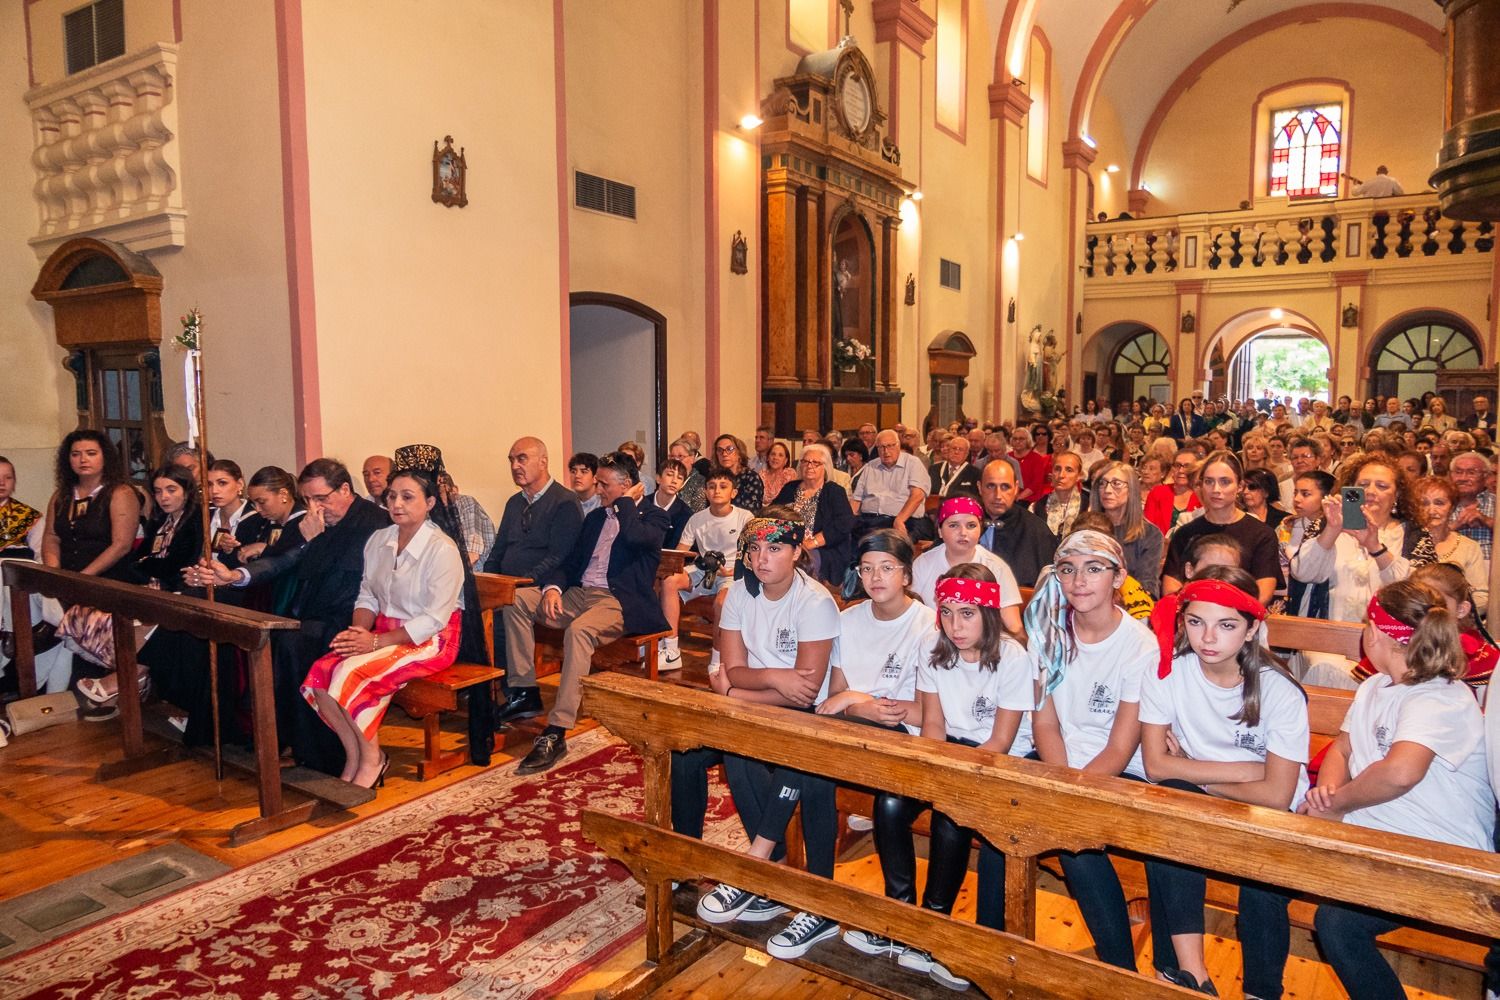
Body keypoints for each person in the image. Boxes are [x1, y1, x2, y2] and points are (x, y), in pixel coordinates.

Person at [1309, 581, 1492, 1000]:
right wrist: (1327, 797)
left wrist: (1336, 805)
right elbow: (1342, 747)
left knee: (1339, 924)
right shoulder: (1374, 686)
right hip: (1380, 841)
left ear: (1375, 632)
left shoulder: (1440, 697)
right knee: (1271, 875)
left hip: (1441, 855)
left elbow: (1400, 773)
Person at [854, 563, 1033, 991]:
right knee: (890, 802)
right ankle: (902, 917)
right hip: (947, 747)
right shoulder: (933, 645)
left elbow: (1000, 741)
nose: (955, 625)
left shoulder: (1012, 658)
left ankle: (935, 923)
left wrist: (948, 785)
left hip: (996, 761)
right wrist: (930, 775)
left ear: (988, 612)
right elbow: (933, 725)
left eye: (967, 614)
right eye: (947, 612)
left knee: (950, 816)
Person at [1141, 566, 1307, 998]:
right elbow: (1156, 766)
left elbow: (1277, 795)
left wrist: (1195, 771)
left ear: (1251, 629)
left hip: (1266, 816)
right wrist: (1245, 769)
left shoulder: (1279, 690)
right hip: (1199, 808)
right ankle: (1192, 975)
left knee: (1261, 882)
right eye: (1196, 622)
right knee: (1169, 808)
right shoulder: (1166, 671)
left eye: (1227, 625)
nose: (1208, 638)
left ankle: (1258, 991)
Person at [695, 509, 842, 960]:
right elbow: (733, 667)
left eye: (775, 548)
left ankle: (761, 866)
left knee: (798, 760)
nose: (762, 559)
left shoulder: (814, 602)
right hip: (761, 706)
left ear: (797, 552)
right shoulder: (740, 591)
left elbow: (806, 693)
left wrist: (737, 692)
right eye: (754, 549)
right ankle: (771, 873)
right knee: (732, 750)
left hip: (812, 717)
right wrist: (774, 678)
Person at [188, 458, 393, 774]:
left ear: (344, 489)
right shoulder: (313, 522)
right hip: (320, 612)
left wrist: (316, 540)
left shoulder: (373, 521)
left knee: (293, 645)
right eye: (308, 499)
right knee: (267, 639)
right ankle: (296, 744)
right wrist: (236, 576)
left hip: (361, 616)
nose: (315, 507)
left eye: (321, 498)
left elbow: (356, 578)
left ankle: (327, 754)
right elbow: (283, 560)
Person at [1026, 529, 1158, 972]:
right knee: (1000, 819)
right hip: (1058, 762)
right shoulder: (1048, 633)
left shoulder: (1139, 644)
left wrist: (1072, 792)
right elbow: (1044, 723)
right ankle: (998, 946)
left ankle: (1120, 970)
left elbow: (1121, 745)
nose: (1079, 581)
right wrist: (1063, 781)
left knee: (1075, 844)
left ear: (1118, 577)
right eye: (1068, 569)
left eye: (1094, 569)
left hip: (1119, 770)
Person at [300, 467, 468, 788]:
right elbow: (367, 594)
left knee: (349, 674)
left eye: (407, 497)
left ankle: (373, 759)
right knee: (321, 674)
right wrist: (358, 633)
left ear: (430, 503)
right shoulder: (380, 539)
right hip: (383, 634)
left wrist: (375, 643)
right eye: (392, 496)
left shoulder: (441, 549)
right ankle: (355, 755)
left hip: (430, 640)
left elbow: (434, 619)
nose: (397, 504)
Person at [500, 454, 669, 774]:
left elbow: (634, 537)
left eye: (604, 484)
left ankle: (557, 730)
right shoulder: (594, 519)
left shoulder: (653, 517)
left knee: (579, 631)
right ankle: (524, 691)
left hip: (617, 601)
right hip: (579, 594)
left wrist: (625, 504)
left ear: (627, 485)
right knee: (517, 600)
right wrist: (553, 588)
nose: (597, 489)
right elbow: (571, 562)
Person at [1290, 453, 1434, 624]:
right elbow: (1302, 573)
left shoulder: (1415, 535)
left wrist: (1375, 547)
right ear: (1351, 489)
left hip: (1387, 636)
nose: (1370, 491)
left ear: (1397, 494)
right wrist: (1332, 529)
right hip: (1327, 634)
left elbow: (1419, 593)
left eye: (1382, 486)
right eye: (1363, 485)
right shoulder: (1324, 525)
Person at [659, 466, 752, 672]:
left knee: (722, 602)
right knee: (669, 580)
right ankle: (671, 650)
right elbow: (681, 552)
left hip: (733, 573)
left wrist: (734, 570)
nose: (717, 490)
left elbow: (752, 551)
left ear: (733, 492)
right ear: (705, 492)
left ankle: (718, 659)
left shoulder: (745, 517)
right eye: (711, 486)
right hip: (705, 570)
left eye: (723, 486)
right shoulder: (697, 518)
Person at [1162, 451, 1283, 603]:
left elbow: (1263, 591)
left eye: (1225, 482)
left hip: (1242, 613)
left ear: (1240, 486)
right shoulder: (1185, 533)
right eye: (1209, 482)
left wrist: (1228, 612)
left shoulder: (1262, 534)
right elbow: (1171, 586)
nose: (1216, 489)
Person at [911, 495, 1023, 634]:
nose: (963, 533)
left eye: (971, 526)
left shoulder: (997, 567)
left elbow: (1013, 626)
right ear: (940, 530)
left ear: (980, 529)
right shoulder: (923, 563)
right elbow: (913, 616)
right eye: (954, 525)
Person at [772, 443, 854, 585]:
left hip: (822, 549)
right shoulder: (790, 488)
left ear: (825, 467)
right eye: (805, 461)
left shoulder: (834, 491)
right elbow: (772, 514)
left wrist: (812, 543)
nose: (809, 466)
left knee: (798, 560)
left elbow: (843, 524)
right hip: (787, 543)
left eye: (815, 463)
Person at [977, 459, 1057, 588]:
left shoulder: (1036, 531)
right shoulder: (965, 523)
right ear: (980, 488)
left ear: (1016, 488)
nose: (998, 495)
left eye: (1005, 487)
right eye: (991, 486)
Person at [1090, 461, 1164, 598]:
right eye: (1102, 483)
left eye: (1116, 483)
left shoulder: (1150, 534)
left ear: (1131, 490)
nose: (1107, 490)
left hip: (1131, 603)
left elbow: (1147, 584)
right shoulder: (1086, 529)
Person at [1415, 476, 1488, 609]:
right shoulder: (1404, 541)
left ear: (1452, 507)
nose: (1431, 510)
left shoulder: (1469, 547)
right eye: (1424, 503)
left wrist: (1450, 611)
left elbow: (1481, 596)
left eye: (1439, 503)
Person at [851, 430, 930, 541]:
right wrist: (847, 520)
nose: (886, 451)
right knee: (844, 535)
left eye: (890, 446)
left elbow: (917, 496)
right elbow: (856, 500)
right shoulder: (870, 466)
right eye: (881, 447)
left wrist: (900, 520)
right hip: (869, 520)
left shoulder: (913, 463)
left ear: (898, 445)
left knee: (880, 541)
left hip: (904, 520)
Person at [437, 470, 496, 569]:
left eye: (441, 492)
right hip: (455, 567)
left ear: (455, 490)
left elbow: (473, 556)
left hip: (481, 570)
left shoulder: (466, 503)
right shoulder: (434, 511)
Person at [1030, 451, 1089, 537]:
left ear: (1078, 476)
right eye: (1057, 469)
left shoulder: (1088, 507)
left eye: (1069, 470)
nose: (1061, 475)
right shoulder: (1036, 506)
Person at [1144, 448, 1202, 536]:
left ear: (1197, 469)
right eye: (1177, 465)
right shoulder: (1158, 492)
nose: (1181, 470)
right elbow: (1147, 528)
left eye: (1187, 466)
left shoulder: (1202, 496)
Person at [1449, 451, 1495, 559]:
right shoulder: (1440, 504)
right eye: (1458, 472)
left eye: (1471, 473)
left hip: (1492, 566)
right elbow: (1426, 538)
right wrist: (1455, 526)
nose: (1463, 478)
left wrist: (1487, 521)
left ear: (1486, 477)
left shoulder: (1496, 503)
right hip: (1450, 566)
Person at [647, 457, 693, 548]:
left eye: (679, 478)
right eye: (669, 475)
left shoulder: (686, 514)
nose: (674, 481)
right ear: (658, 478)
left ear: (682, 485)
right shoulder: (641, 504)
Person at [929, 433, 980, 500]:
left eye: (960, 449)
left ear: (966, 454)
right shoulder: (934, 469)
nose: (956, 452)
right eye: (954, 448)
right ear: (949, 450)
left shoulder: (975, 473)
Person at [1240, 466, 1289, 534]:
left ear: (1266, 492)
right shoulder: (1237, 519)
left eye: (1252, 487)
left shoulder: (1284, 519)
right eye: (1243, 487)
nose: (1245, 492)